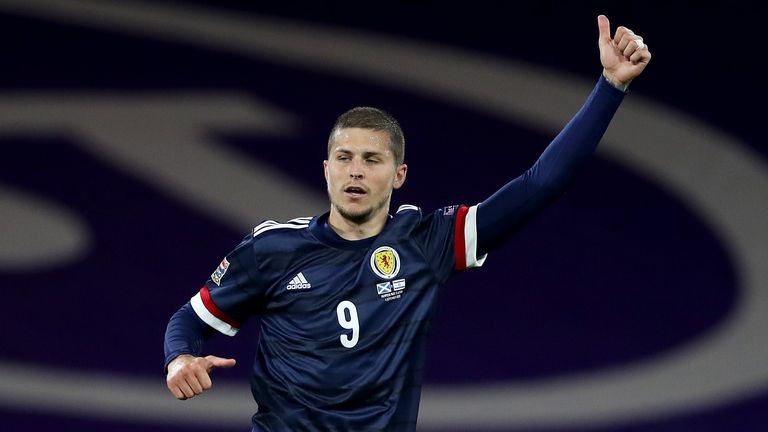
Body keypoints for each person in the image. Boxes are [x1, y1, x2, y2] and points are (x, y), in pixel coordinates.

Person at [164, 15, 651, 431]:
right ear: (326, 169)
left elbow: (539, 185)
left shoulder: (427, 241)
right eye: (344, 157)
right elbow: (189, 319)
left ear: (399, 175)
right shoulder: (270, 249)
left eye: (372, 159)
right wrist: (181, 358)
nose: (356, 169)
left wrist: (610, 87)